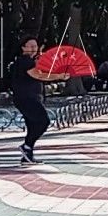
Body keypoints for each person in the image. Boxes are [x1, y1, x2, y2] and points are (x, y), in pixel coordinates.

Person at [11, 37, 71, 166]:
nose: (33, 49)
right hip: (26, 98)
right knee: (43, 121)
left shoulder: (31, 61)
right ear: (23, 48)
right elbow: (38, 75)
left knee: (32, 125)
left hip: (30, 97)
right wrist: (59, 76)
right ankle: (27, 146)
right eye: (30, 46)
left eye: (35, 46)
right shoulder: (25, 61)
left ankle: (27, 155)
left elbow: (40, 71)